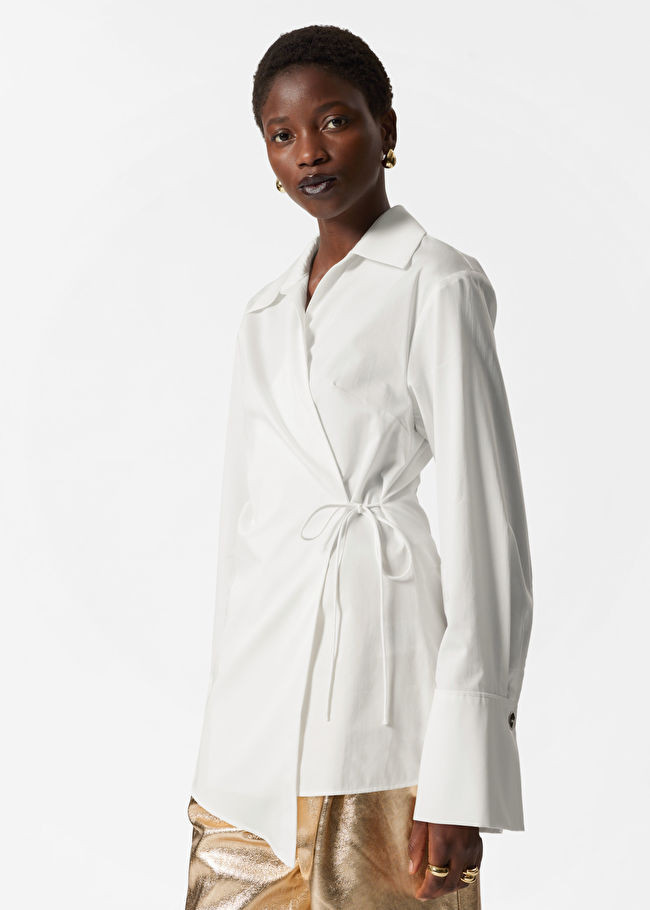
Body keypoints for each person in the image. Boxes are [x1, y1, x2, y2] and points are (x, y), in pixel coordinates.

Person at [184, 23, 533, 910]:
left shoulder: (437, 282)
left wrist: (464, 773)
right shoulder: (264, 312)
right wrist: (221, 711)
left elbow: (487, 527)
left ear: (386, 127)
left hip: (385, 699)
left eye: (334, 121)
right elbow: (241, 531)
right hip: (251, 724)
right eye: (282, 134)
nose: (309, 150)